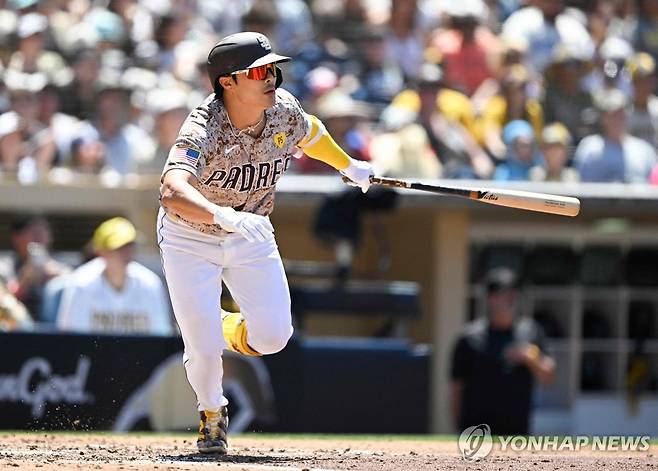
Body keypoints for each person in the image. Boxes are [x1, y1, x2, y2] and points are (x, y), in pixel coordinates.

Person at [157, 32, 374, 454]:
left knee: (274, 336)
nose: (271, 77)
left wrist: (349, 166)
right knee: (201, 349)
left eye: (274, 68)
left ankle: (218, 323)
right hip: (190, 235)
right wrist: (220, 214)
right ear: (228, 82)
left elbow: (311, 132)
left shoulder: (283, 110)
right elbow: (170, 188)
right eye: (259, 71)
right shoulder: (204, 126)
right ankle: (212, 414)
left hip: (251, 232)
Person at [450, 267, 556, 435]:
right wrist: (457, 428)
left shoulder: (530, 331)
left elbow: (549, 376)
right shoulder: (469, 338)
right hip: (476, 434)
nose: (511, 298)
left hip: (517, 435)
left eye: (514, 292)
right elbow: (456, 388)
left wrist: (529, 357)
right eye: (505, 292)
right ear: (490, 297)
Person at [56, 217, 172, 335]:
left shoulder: (150, 283)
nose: (126, 253)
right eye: (118, 247)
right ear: (101, 251)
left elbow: (160, 335)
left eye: (130, 246)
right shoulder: (81, 283)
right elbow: (71, 338)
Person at [574, 88, 657, 183]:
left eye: (621, 112)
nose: (618, 118)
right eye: (613, 114)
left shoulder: (644, 149)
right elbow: (580, 182)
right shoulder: (589, 147)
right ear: (603, 117)